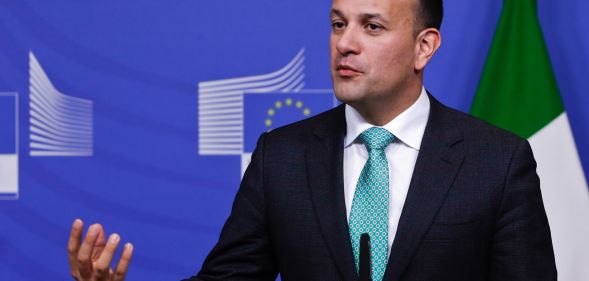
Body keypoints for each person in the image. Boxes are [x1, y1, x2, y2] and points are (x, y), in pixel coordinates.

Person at [67, 0, 558, 280]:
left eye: (372, 26)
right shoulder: (280, 158)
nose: (345, 42)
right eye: (338, 24)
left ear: (423, 47)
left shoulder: (497, 160)